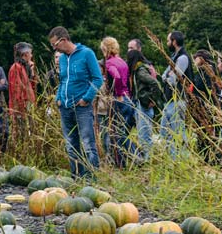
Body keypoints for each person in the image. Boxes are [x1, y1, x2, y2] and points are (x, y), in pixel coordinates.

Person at [48, 26, 103, 178]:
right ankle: (77, 176)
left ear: (64, 40)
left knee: (87, 143)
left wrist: (86, 98)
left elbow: (98, 79)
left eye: (55, 45)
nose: (55, 49)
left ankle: (91, 178)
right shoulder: (64, 59)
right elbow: (63, 79)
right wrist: (58, 98)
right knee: (71, 145)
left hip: (82, 107)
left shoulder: (86, 54)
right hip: (65, 107)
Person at [100, 37, 135, 168]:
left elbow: (117, 77)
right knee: (123, 133)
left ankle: (121, 164)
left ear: (105, 48)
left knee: (115, 134)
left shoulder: (109, 63)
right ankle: (131, 159)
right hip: (128, 99)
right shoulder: (122, 61)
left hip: (118, 99)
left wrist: (118, 94)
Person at [160, 30, 193, 158]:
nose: (167, 43)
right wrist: (167, 76)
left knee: (178, 131)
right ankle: (172, 158)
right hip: (170, 100)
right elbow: (164, 75)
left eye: (168, 40)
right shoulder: (175, 57)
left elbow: (173, 79)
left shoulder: (183, 58)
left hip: (178, 99)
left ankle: (183, 159)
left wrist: (168, 77)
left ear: (174, 42)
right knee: (165, 130)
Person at [127, 48, 159, 163]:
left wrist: (151, 100)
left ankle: (147, 160)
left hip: (143, 105)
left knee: (144, 135)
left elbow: (155, 83)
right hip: (142, 104)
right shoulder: (141, 68)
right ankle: (146, 159)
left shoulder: (140, 71)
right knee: (143, 134)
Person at [8, 42, 38, 144]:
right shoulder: (16, 68)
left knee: (30, 136)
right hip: (21, 109)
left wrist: (32, 73)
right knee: (22, 137)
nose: (31, 56)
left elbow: (31, 88)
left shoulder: (24, 68)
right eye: (30, 53)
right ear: (25, 54)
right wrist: (20, 111)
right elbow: (17, 91)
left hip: (27, 108)